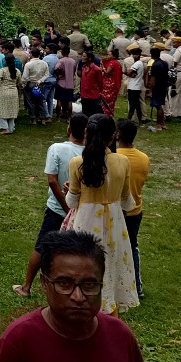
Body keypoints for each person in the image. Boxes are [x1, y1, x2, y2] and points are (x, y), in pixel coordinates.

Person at [0, 231, 154, 362]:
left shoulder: (120, 336)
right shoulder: (18, 340)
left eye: (89, 284)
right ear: (44, 284)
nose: (78, 296)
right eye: (64, 283)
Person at [65, 114, 138, 315]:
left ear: (87, 133)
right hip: (114, 221)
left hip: (86, 221)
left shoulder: (77, 162)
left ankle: (83, 307)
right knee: (111, 263)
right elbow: (127, 201)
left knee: (84, 264)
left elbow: (71, 201)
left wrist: (71, 190)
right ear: (113, 136)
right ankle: (110, 311)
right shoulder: (123, 161)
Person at [13, 113, 88, 298]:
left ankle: (26, 287)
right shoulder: (90, 153)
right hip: (81, 209)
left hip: (57, 208)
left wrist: (65, 206)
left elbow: (52, 181)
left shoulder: (57, 148)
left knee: (43, 246)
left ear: (69, 128)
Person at [116, 119, 150, 300]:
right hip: (135, 209)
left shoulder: (113, 157)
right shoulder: (143, 158)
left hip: (116, 210)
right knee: (132, 246)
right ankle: (137, 285)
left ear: (118, 135)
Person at [0, 53, 21, 135]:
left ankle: (5, 128)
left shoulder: (3, 70)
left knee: (1, 110)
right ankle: (11, 127)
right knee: (11, 110)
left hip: (4, 91)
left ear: (5, 61)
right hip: (13, 91)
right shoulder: (17, 71)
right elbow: (19, 83)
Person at [148, 47, 169, 130]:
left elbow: (153, 79)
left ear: (152, 55)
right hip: (164, 85)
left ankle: (158, 124)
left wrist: (150, 90)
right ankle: (163, 123)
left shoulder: (155, 65)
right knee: (161, 104)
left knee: (158, 106)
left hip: (157, 86)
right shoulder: (165, 63)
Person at [125, 45, 147, 124]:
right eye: (133, 54)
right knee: (136, 105)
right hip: (135, 86)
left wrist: (127, 73)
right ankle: (137, 121)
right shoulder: (139, 63)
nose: (135, 56)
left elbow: (129, 72)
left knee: (133, 106)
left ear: (139, 55)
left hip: (133, 87)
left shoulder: (137, 63)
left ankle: (130, 121)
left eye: (136, 54)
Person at [78, 50, 103, 116]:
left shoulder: (96, 69)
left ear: (89, 58)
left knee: (94, 114)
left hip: (93, 96)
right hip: (84, 95)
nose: (82, 58)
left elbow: (100, 83)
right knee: (85, 114)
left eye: (84, 56)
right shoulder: (84, 67)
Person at [100, 46, 123, 117]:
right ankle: (110, 113)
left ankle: (105, 113)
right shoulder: (117, 63)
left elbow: (107, 72)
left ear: (113, 56)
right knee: (112, 100)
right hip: (114, 83)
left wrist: (102, 68)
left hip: (109, 84)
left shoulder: (112, 63)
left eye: (109, 55)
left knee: (105, 99)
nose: (107, 56)